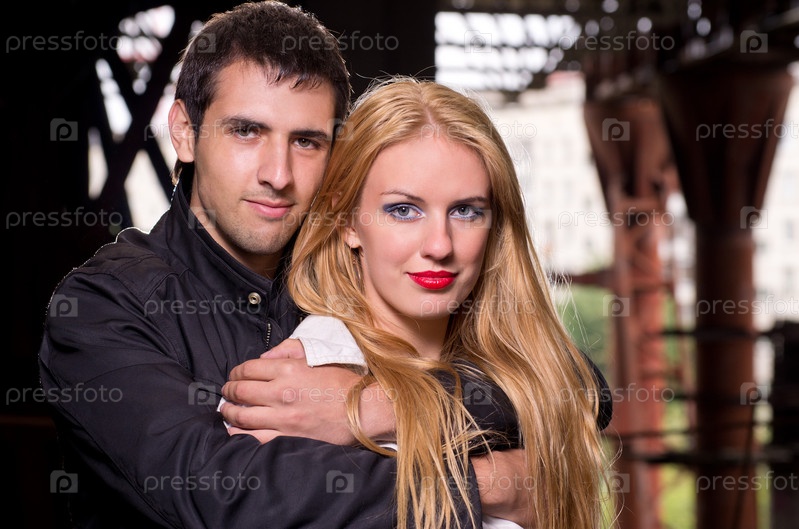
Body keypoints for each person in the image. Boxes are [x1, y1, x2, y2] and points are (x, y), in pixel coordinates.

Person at [38, 2, 546, 527]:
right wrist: (488, 484)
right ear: (185, 132)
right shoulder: (102, 306)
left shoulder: (356, 266)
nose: (278, 174)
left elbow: (570, 382)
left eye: (306, 141)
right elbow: (227, 498)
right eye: (246, 131)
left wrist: (375, 406)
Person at [221, 78, 614, 529]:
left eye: (466, 211)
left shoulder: (524, 375)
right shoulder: (295, 390)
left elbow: (587, 391)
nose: (439, 245)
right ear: (347, 221)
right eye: (403, 210)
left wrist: (385, 407)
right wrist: (504, 485)